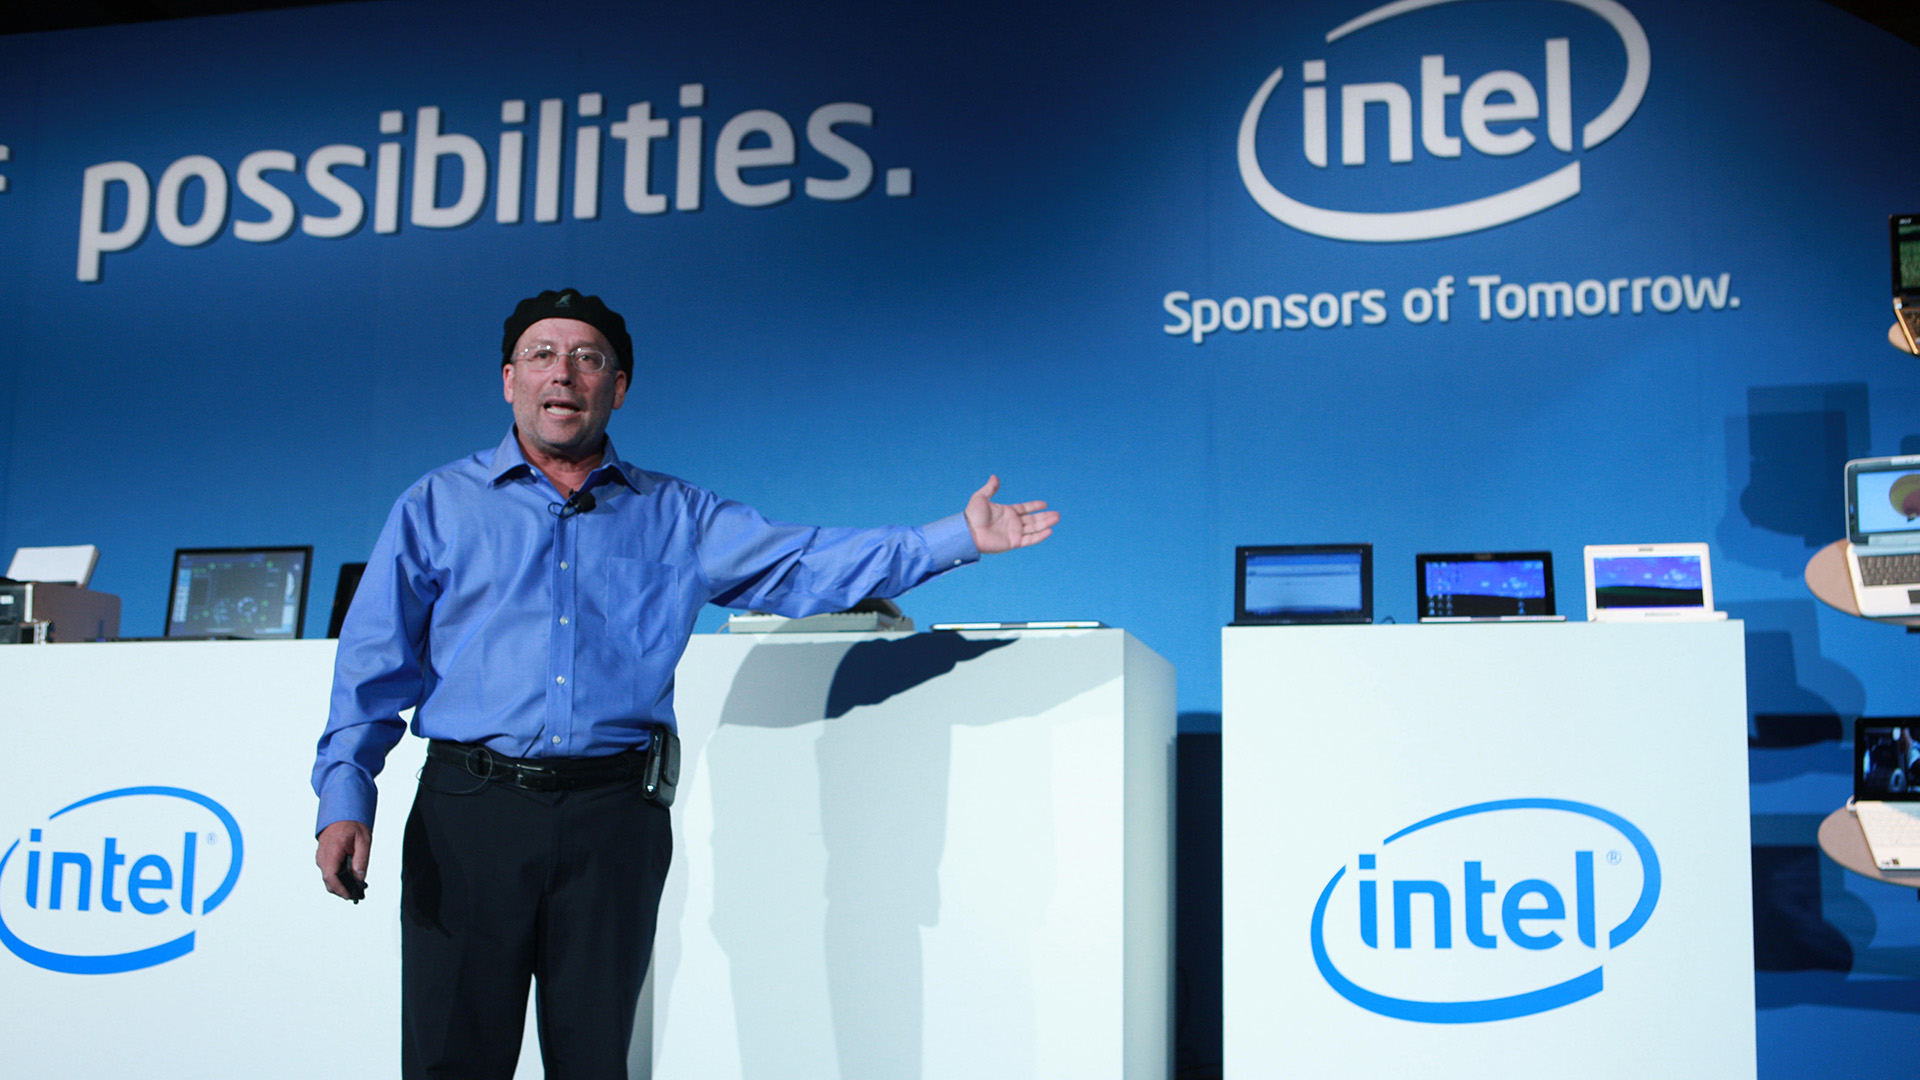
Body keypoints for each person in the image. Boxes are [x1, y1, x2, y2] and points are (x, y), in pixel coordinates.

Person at [310, 287, 1058, 1079]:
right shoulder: (435, 506)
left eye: (587, 358)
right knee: (450, 1062)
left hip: (612, 822)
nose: (562, 373)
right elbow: (373, 664)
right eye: (541, 355)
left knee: (596, 1063)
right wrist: (345, 795)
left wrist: (953, 538)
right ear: (509, 379)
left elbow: (806, 562)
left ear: (618, 386)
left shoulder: (679, 516)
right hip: (470, 813)